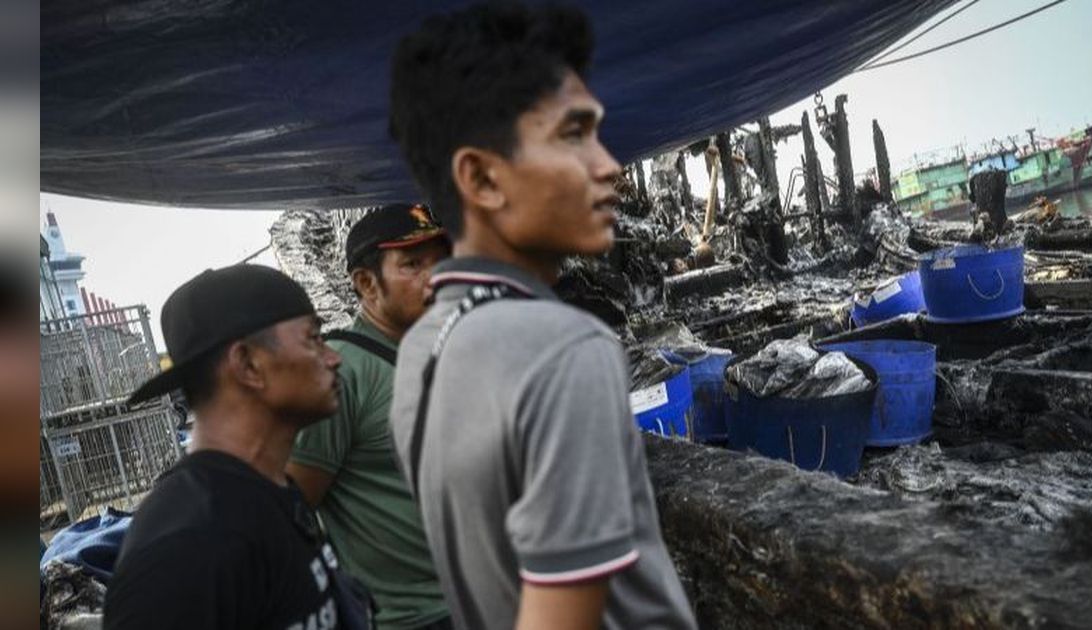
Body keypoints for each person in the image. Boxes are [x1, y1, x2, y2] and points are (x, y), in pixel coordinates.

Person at [387, 3, 697, 629]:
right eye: (573, 134)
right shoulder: (563, 347)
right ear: (481, 178)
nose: (609, 164)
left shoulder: (421, 352)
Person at [103, 264, 364, 630]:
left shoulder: (272, 492)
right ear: (248, 365)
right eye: (313, 338)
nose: (334, 357)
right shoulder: (186, 545)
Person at [287, 204, 452, 630]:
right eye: (413, 264)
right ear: (366, 283)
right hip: (413, 619)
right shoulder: (342, 371)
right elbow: (293, 509)